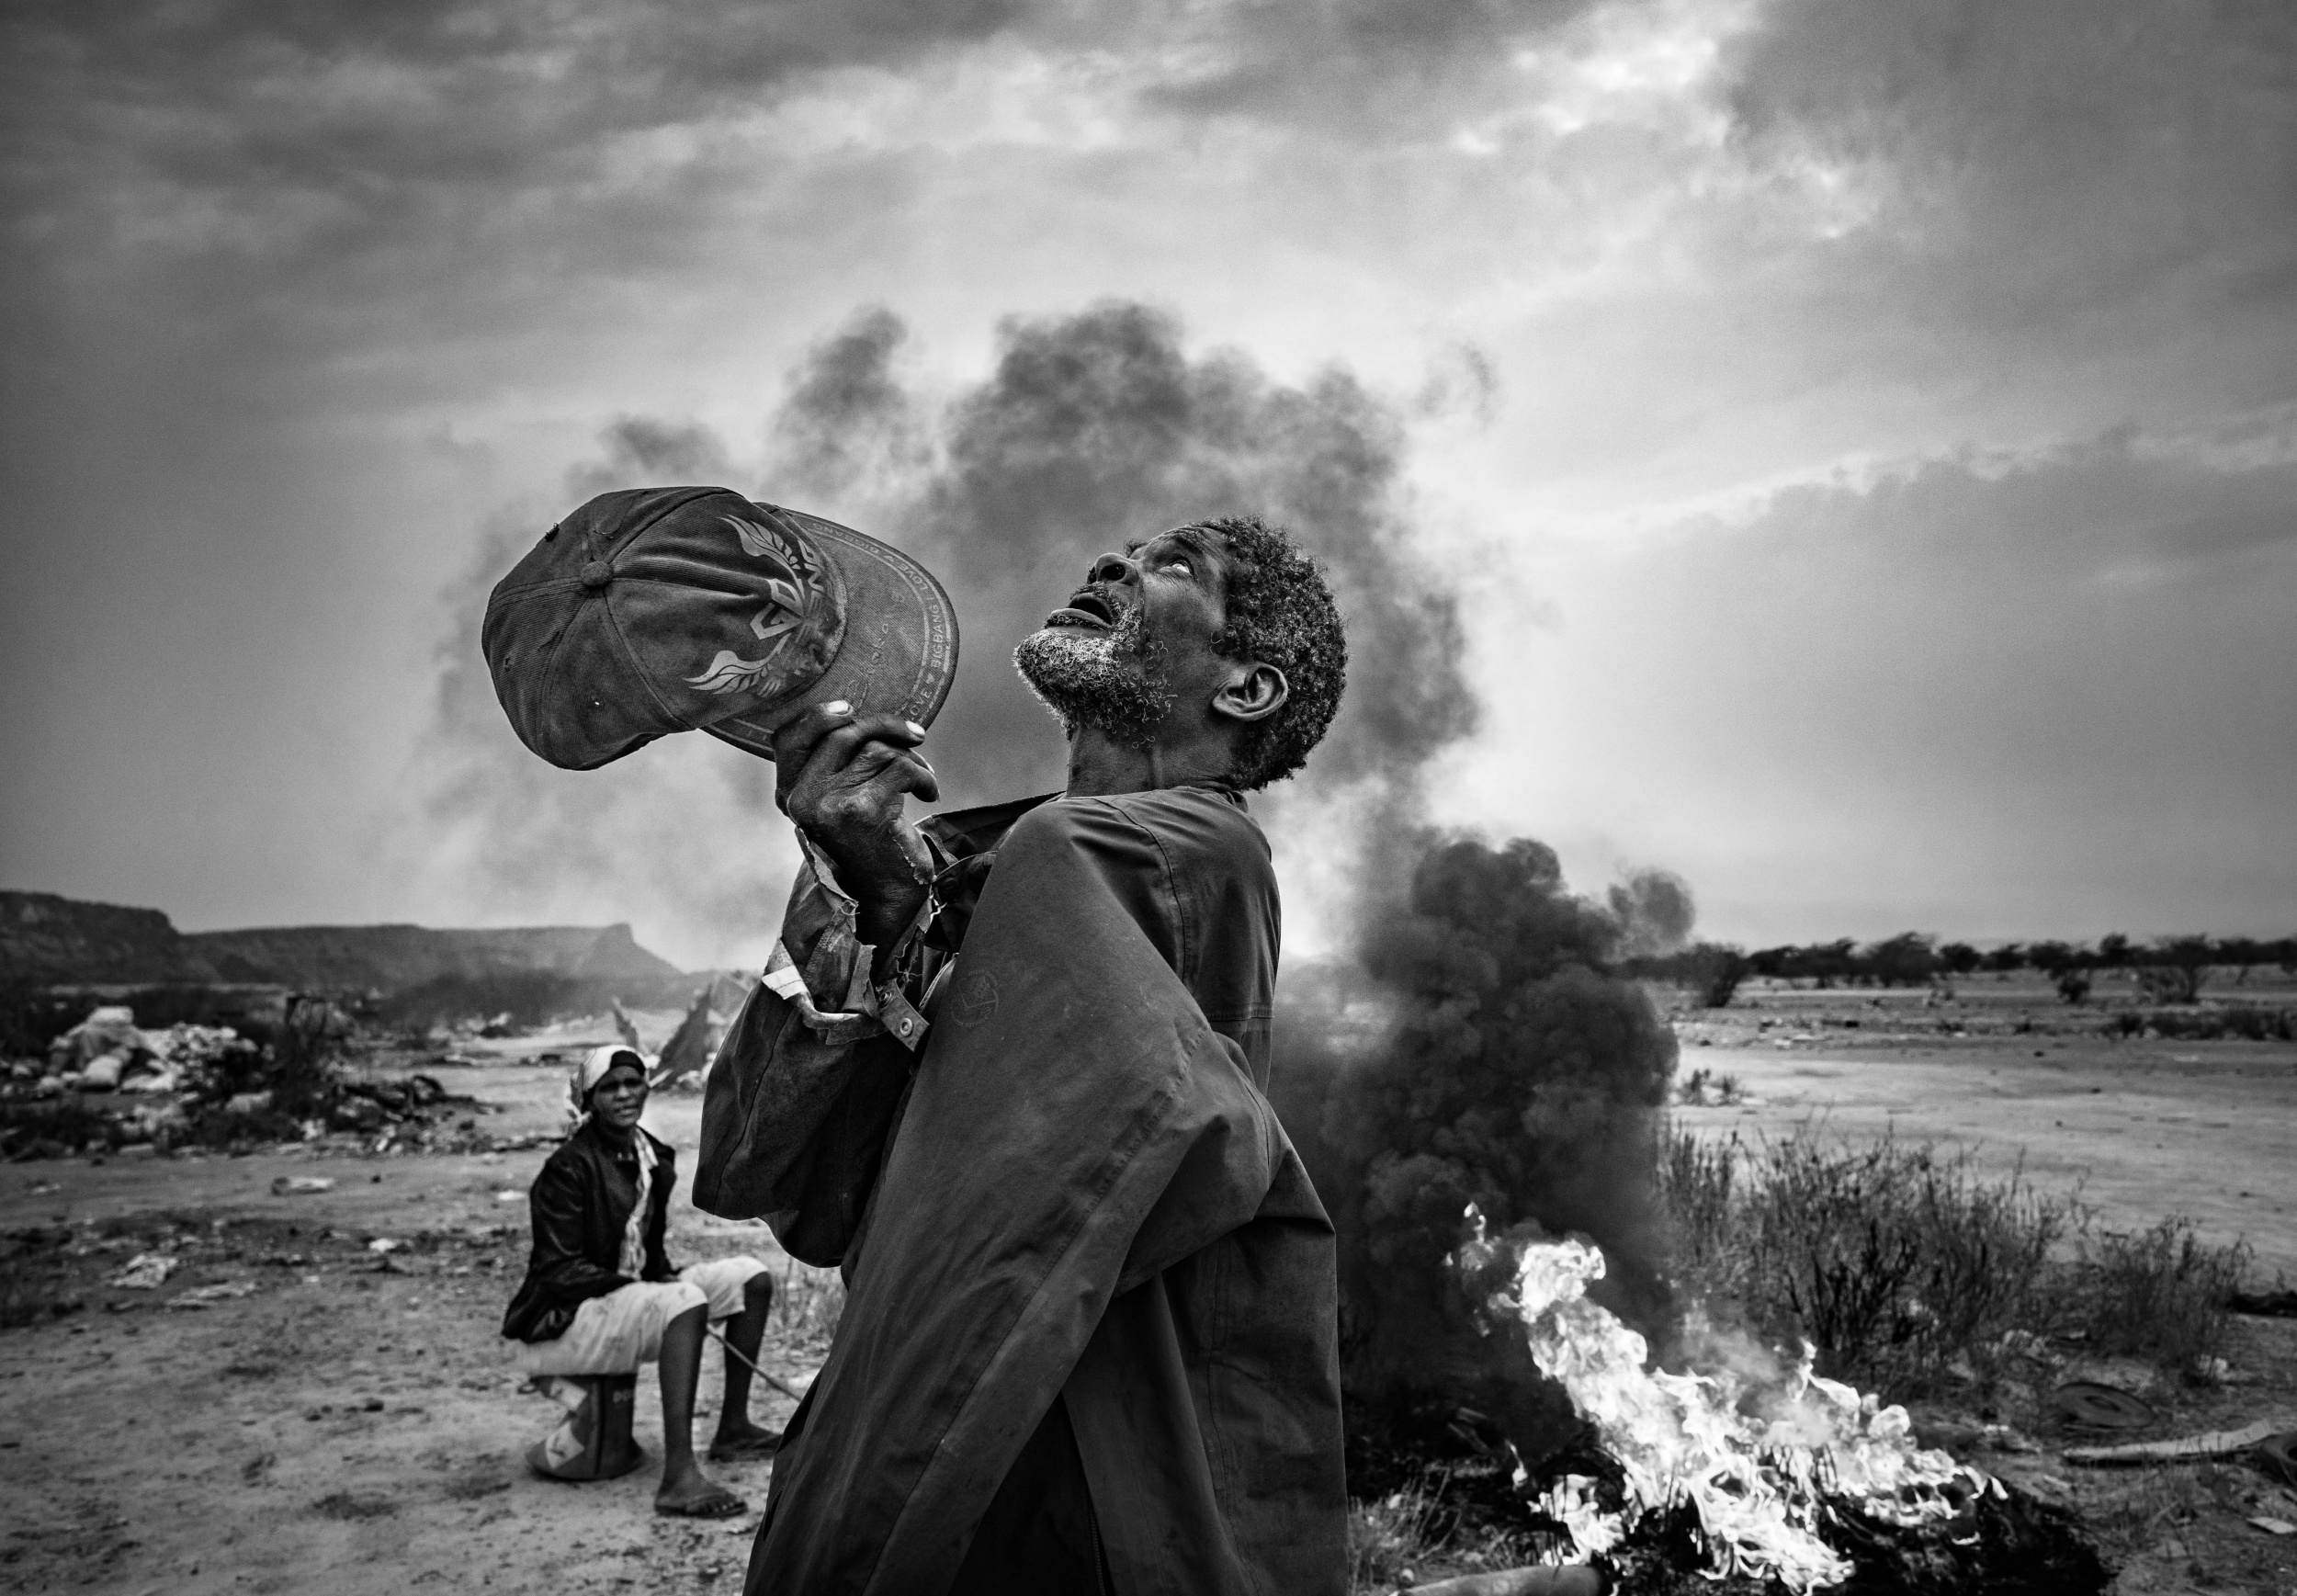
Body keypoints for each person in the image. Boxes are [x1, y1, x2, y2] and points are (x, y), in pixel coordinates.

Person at [696, 515, 1352, 1594]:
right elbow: (781, 1181)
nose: (1112, 562)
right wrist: (874, 899)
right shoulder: (983, 877)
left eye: (1173, 565)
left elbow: (1037, 1216)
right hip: (953, 1432)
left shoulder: (1189, 852)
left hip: (1058, 1467)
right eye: (1125, 549)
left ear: (1246, 688)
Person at [503, 1045, 785, 1516]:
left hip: (625, 1299)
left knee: (749, 1277)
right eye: (609, 1087)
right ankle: (679, 1477)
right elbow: (558, 1270)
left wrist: (659, 1279)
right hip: (564, 1318)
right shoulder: (568, 1167)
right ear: (589, 1099)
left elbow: (648, 1255)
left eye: (632, 1083)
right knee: (684, 1301)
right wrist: (651, 1290)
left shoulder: (653, 1157)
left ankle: (733, 1429)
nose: (624, 1094)